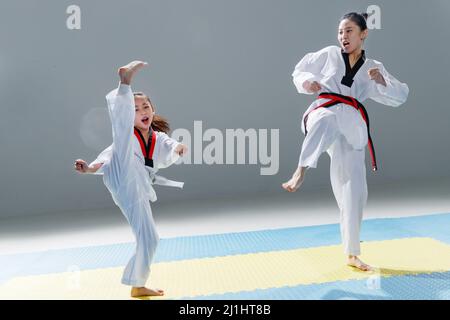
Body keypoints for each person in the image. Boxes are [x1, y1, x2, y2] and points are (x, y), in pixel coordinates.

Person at [282, 13, 409, 271]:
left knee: (354, 188)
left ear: (363, 34)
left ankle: (352, 252)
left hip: (351, 122)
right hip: (324, 109)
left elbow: (401, 95)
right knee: (326, 121)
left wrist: (383, 82)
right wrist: (308, 83)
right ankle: (301, 169)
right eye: (341, 32)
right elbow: (300, 69)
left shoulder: (373, 66)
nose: (343, 37)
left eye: (349, 31)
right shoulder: (330, 54)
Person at [75, 61, 187, 297]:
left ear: (153, 110)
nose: (142, 112)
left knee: (150, 238)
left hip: (134, 187)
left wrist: (177, 148)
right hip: (123, 175)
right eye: (135, 110)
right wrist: (89, 168)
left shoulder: (156, 137)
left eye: (145, 107)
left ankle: (137, 283)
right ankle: (124, 81)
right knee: (123, 136)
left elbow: (169, 145)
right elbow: (108, 158)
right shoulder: (127, 138)